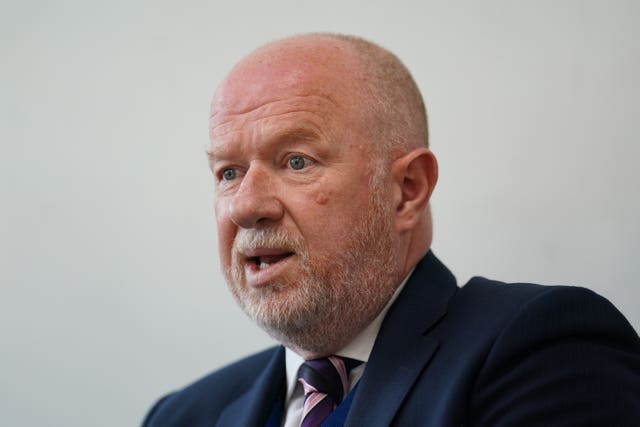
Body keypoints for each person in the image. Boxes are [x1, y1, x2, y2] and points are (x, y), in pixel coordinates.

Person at [143, 33, 640, 426]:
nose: (247, 206)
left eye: (297, 161)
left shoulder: (542, 351)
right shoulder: (182, 415)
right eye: (228, 172)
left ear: (407, 188)